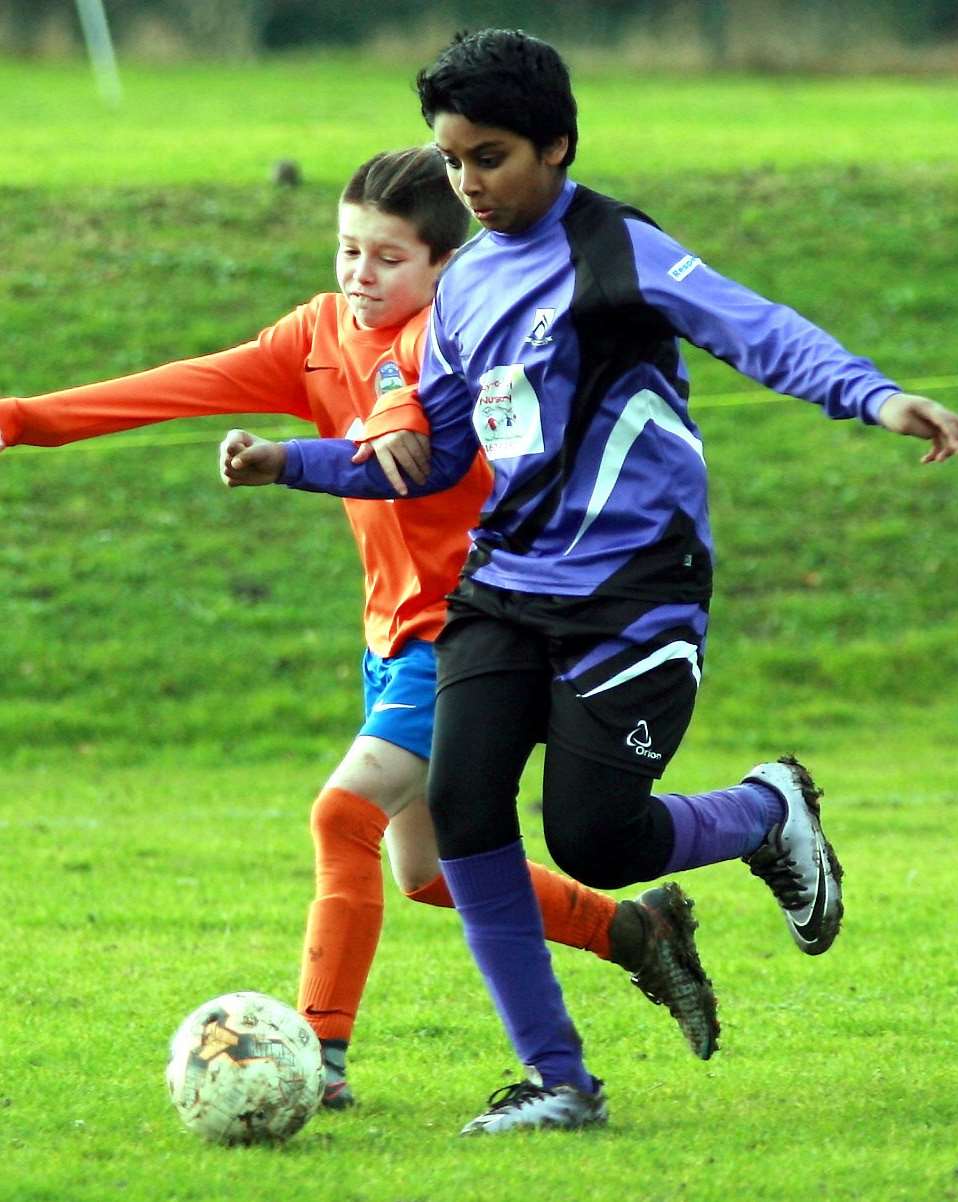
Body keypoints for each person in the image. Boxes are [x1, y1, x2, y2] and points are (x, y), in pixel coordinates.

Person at [220, 29, 958, 1135]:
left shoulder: (620, 250)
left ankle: (768, 812)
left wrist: (873, 395)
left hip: (635, 590)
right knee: (465, 808)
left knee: (595, 840)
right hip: (505, 584)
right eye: (455, 159)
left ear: (558, 145)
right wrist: (292, 461)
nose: (470, 182)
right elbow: (423, 446)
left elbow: (754, 328)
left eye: (492, 156)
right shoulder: (466, 285)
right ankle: (558, 1078)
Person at [0, 146, 720, 1108]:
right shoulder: (316, 333)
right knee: (426, 870)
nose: (360, 276)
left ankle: (318, 1060)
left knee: (342, 814)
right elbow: (173, 386)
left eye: (388, 259)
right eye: (348, 250)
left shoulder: (449, 339)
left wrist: (333, 445)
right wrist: (18, 419)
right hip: (387, 639)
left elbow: (399, 412)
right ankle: (636, 934)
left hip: (465, 631)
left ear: (441, 268)